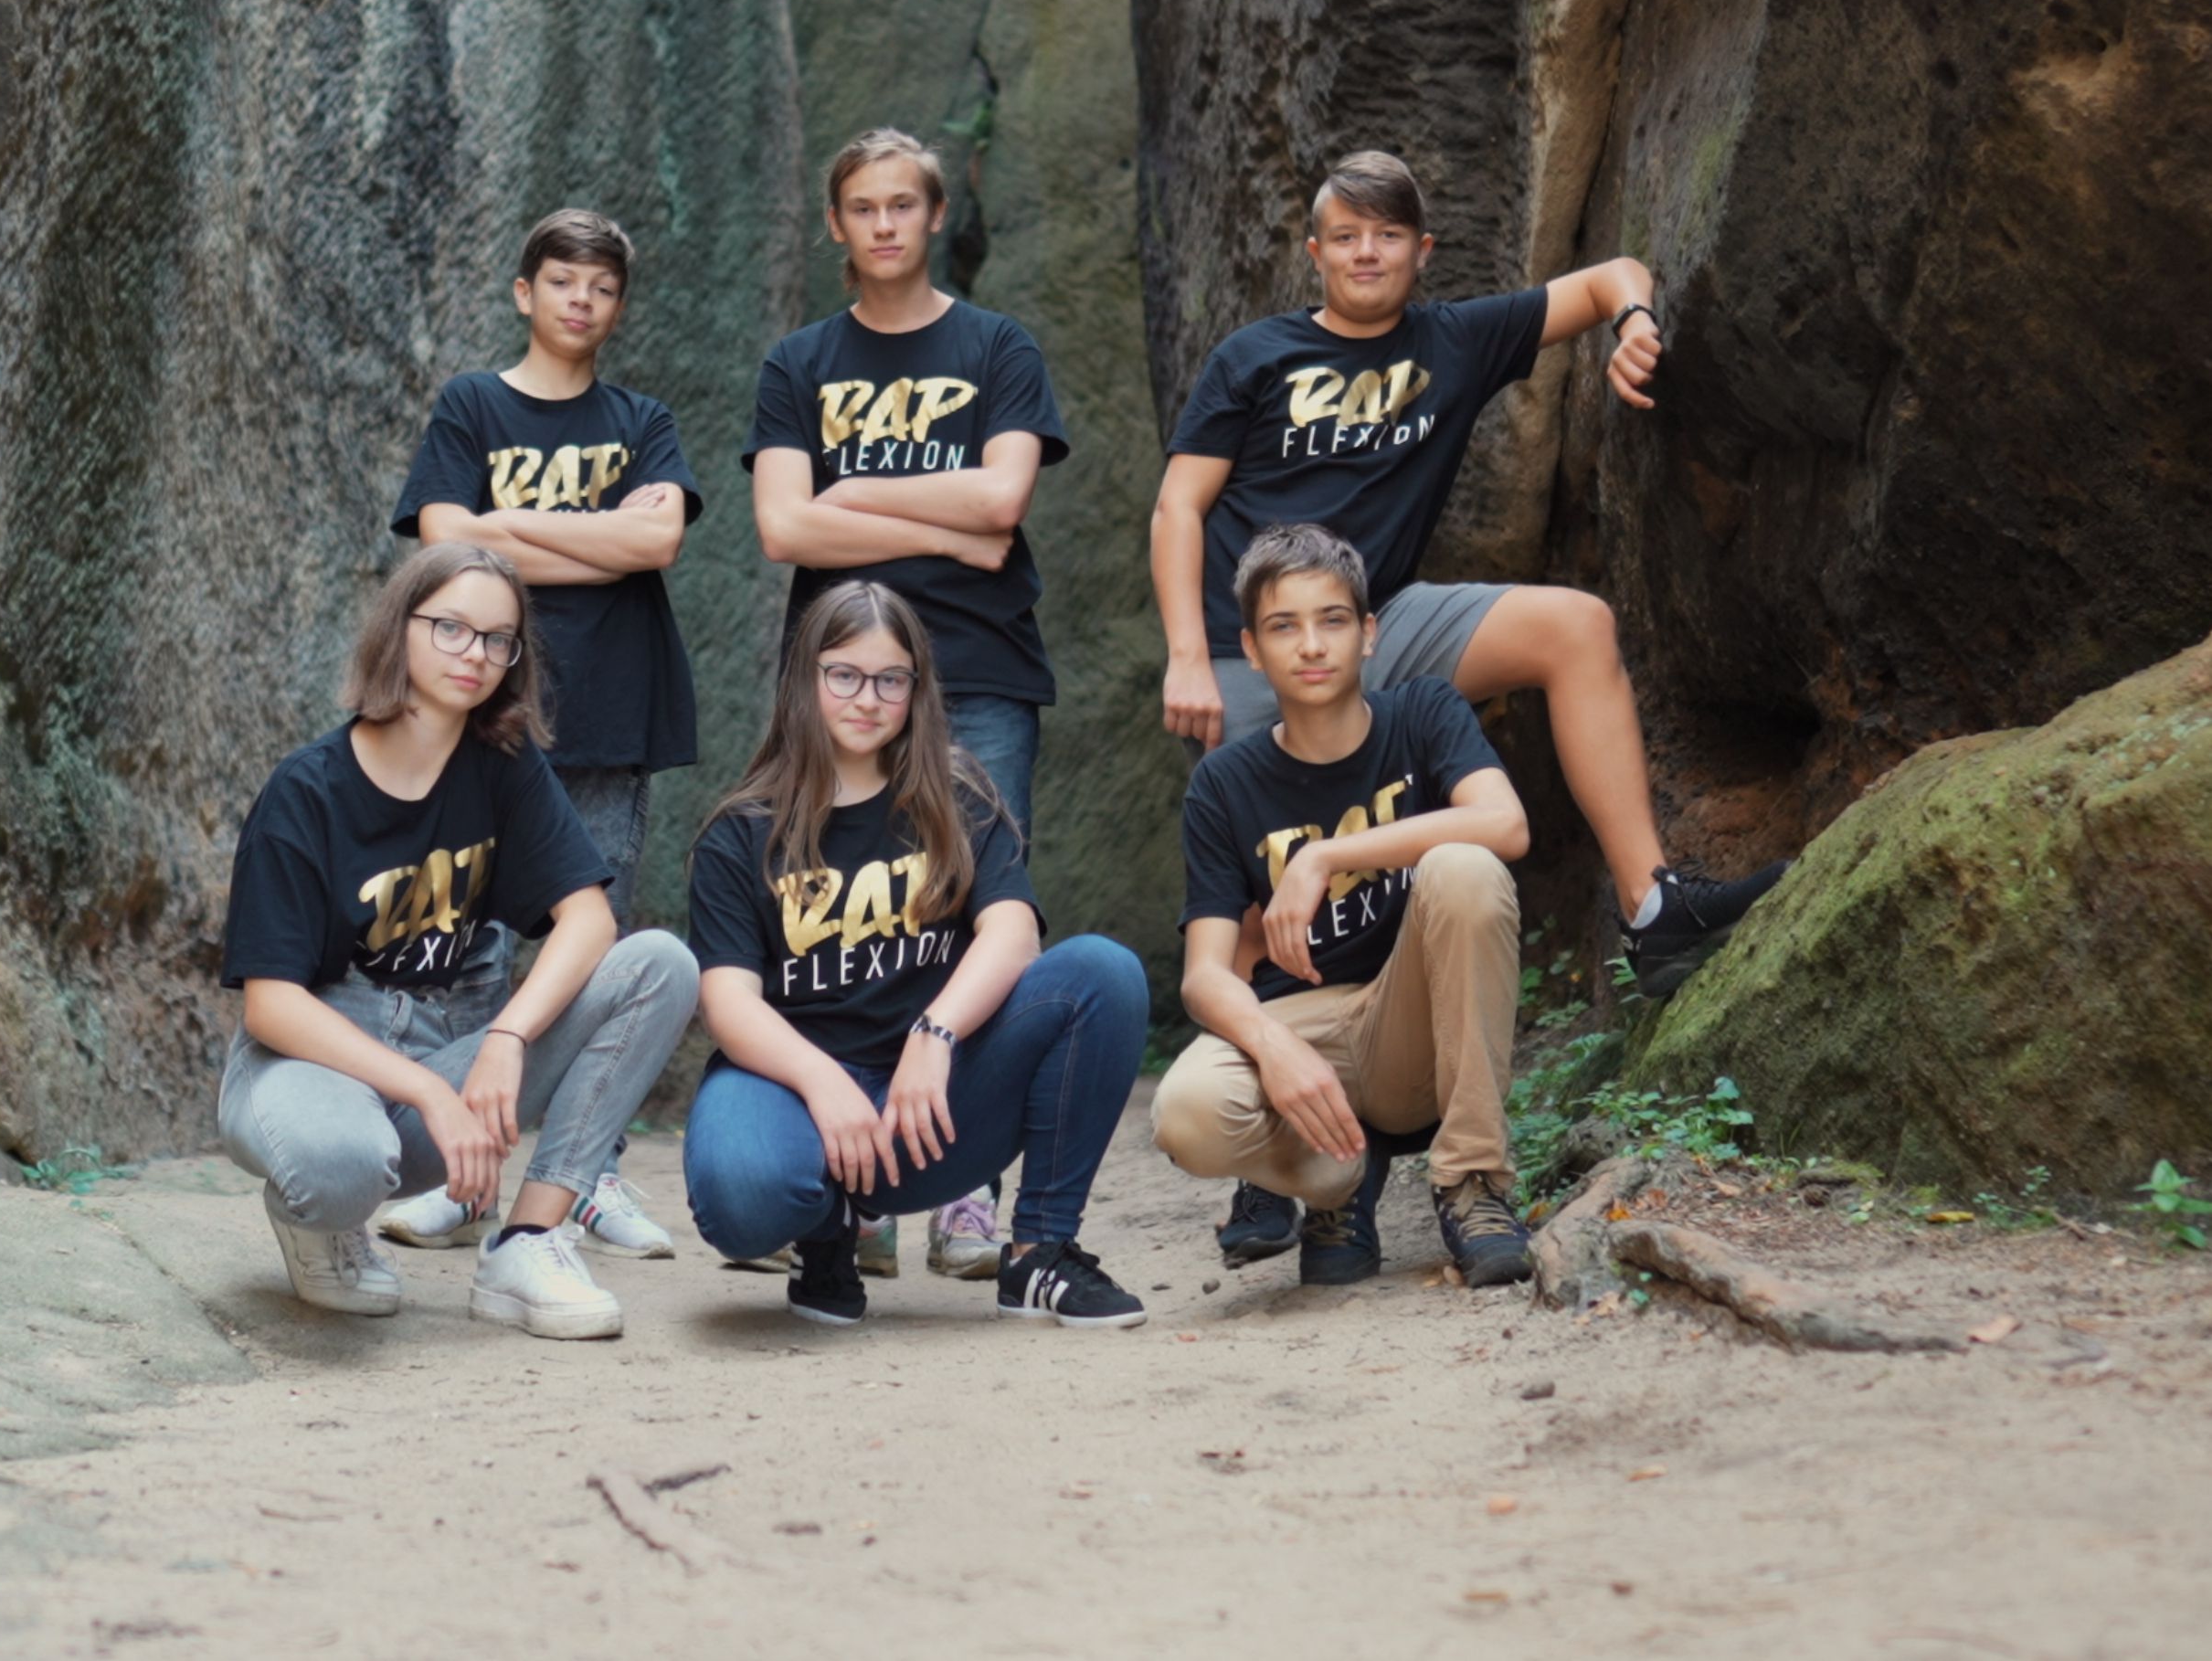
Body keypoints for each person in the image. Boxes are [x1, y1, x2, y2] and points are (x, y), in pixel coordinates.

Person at [1149, 149, 1785, 1266]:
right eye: (1343, 235)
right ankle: (1273, 1160)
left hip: (1380, 619)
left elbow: (1605, 278)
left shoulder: (1450, 339)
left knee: (1574, 625)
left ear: (1420, 252)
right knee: (1264, 817)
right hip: (1253, 640)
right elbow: (1177, 504)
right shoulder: (1254, 358)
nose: (1363, 253)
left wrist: (1633, 317)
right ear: (1313, 250)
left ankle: (1651, 907)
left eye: (1386, 236)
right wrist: (1185, 657)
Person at [217, 543, 698, 1335]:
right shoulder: (307, 789)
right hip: (306, 1069)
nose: (474, 654)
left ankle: (530, 1238)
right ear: (398, 631)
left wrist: (507, 1036)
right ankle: (320, 1226)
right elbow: (271, 1007)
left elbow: (588, 919)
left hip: (442, 1062)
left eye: (496, 639)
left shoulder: (500, 768)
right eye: (450, 628)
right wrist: (430, 1092)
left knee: (658, 966)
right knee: (340, 1166)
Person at [745, 128, 1069, 1280]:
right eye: (861, 207)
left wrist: (860, 490)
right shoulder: (799, 362)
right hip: (833, 686)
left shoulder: (997, 345)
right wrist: (945, 522)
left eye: (902, 204)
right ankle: (857, 1192)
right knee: (837, 907)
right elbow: (786, 526)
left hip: (977, 672)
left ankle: (968, 1190)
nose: (883, 224)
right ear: (835, 226)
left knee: (975, 912)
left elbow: (1007, 497)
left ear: (934, 216)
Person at [681, 580, 1151, 1328]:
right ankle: (823, 1230)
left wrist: (935, 1037)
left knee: (1102, 973)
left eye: (890, 679)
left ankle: (1038, 1254)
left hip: (929, 1105)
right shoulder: (741, 831)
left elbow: (1013, 933)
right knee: (742, 1193)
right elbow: (727, 1002)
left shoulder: (956, 796)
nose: (866, 698)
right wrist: (820, 1079)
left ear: (916, 689)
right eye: (843, 674)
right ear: (804, 681)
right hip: (800, 1093)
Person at [376, 210, 698, 1261]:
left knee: (596, 948)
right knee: (472, 952)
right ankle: (462, 1177)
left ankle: (585, 1177)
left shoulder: (640, 418)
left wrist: (509, 535)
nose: (578, 301)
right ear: (525, 291)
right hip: (486, 712)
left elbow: (658, 536)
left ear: (616, 305)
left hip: (609, 715)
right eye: (560, 281)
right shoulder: (473, 404)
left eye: (599, 287)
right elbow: (441, 537)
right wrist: (597, 543)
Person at [1151, 525, 1535, 1289]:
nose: (1310, 645)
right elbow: (1204, 976)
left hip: (1413, 1020)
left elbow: (1506, 825)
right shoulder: (1224, 782)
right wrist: (1270, 1045)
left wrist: (1323, 855)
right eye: (1282, 627)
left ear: (1366, 634)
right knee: (1186, 1111)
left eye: (1331, 620)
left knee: (1462, 868)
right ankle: (1333, 1184)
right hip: (1305, 1030)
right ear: (1252, 652)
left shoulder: (1422, 713)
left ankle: (1473, 1185)